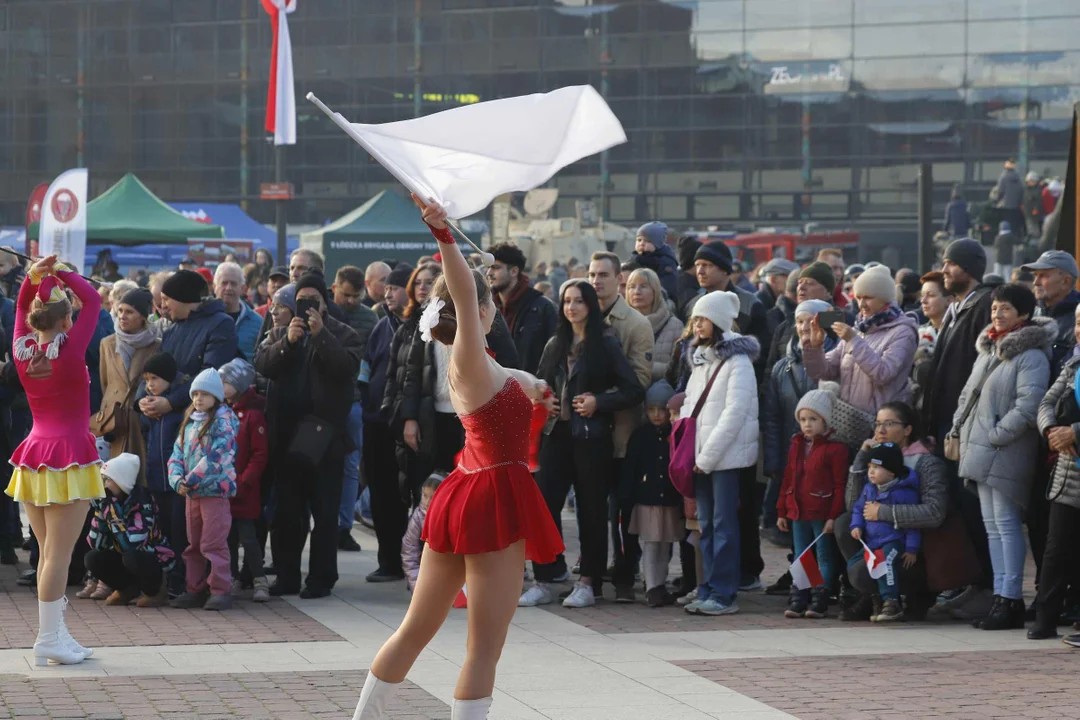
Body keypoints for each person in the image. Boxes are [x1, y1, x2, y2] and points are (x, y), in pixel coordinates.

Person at [353, 197, 562, 720]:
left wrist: (535, 387)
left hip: (465, 494)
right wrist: (444, 235)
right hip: (490, 499)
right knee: (483, 649)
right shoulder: (468, 354)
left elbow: (518, 381)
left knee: (417, 630)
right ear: (484, 310)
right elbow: (466, 294)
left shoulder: (483, 365)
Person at [520, 280, 645, 609]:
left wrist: (598, 401)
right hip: (555, 435)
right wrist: (543, 398)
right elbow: (539, 382)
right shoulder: (555, 343)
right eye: (566, 301)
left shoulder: (605, 343)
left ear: (590, 305)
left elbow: (633, 389)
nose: (572, 307)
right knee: (544, 507)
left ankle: (589, 581)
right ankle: (545, 578)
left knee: (592, 510)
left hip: (591, 438)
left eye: (578, 301)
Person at [6, 256, 104, 665]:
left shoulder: (21, 350)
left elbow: (17, 309)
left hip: (34, 454)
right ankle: (47, 637)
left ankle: (57, 633)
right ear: (66, 321)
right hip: (69, 455)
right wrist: (59, 272)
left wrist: (34, 277)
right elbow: (94, 300)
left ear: (33, 320)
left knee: (48, 555)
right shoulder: (72, 349)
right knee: (57, 558)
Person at [952, 283, 1053, 631]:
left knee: (1007, 526)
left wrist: (997, 434)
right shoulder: (989, 348)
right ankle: (1001, 595)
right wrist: (958, 428)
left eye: (1006, 308)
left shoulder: (1032, 355)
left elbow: (1029, 405)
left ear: (1024, 313)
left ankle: (1010, 598)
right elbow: (969, 393)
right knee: (992, 527)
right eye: (995, 308)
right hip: (981, 448)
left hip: (1006, 450)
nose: (997, 314)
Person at [257, 272, 363, 598]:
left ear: (324, 303)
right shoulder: (279, 331)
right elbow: (262, 365)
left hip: (325, 439)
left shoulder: (344, 334)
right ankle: (287, 576)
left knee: (325, 513)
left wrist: (320, 336)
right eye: (300, 300)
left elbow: (347, 370)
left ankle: (321, 578)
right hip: (286, 436)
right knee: (287, 514)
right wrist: (288, 342)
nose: (306, 307)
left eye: (312, 301)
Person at [679, 291, 760, 617]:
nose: (696, 325)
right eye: (695, 318)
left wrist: (706, 456)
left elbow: (734, 413)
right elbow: (689, 405)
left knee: (724, 525)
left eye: (703, 318)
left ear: (720, 322)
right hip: (701, 459)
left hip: (723, 459)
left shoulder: (737, 362)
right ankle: (708, 587)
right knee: (707, 525)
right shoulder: (701, 359)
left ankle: (724, 593)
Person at [837, 403, 948, 622]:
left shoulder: (925, 463)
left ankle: (898, 595)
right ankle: (876, 595)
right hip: (878, 539)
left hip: (910, 547)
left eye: (888, 424)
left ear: (907, 430)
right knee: (844, 523)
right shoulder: (876, 460)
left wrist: (885, 512)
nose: (880, 430)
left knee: (860, 573)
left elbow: (935, 513)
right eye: (877, 424)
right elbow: (854, 506)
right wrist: (862, 458)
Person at [588, 251, 654, 601]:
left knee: (621, 509)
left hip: (621, 434)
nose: (596, 281)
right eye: (591, 274)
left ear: (618, 280)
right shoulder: (579, 316)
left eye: (603, 275)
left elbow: (639, 382)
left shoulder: (634, 324)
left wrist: (598, 398)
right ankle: (592, 572)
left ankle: (625, 575)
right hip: (584, 433)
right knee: (591, 506)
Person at [761, 299, 836, 543]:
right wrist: (773, 461)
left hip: (825, 456)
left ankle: (823, 576)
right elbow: (771, 418)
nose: (804, 327)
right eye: (799, 321)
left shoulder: (835, 359)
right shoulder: (781, 368)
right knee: (795, 521)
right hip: (792, 454)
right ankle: (800, 573)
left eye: (810, 321)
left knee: (820, 523)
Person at [804, 264, 918, 418]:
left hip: (882, 425)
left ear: (885, 299)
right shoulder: (860, 328)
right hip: (849, 423)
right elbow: (822, 372)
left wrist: (853, 340)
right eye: (858, 297)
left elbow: (883, 374)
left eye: (868, 298)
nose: (862, 304)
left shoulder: (903, 331)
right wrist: (815, 348)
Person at [167, 369, 239, 611]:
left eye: (205, 394)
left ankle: (220, 590)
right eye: (195, 393)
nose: (198, 399)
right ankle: (194, 588)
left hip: (214, 491)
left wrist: (191, 477)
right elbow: (177, 453)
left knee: (213, 543)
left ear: (216, 397)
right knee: (194, 544)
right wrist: (177, 479)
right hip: (192, 492)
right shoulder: (189, 422)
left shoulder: (224, 422)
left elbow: (217, 454)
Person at [359, 263, 412, 584]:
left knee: (413, 497)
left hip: (409, 426)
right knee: (381, 495)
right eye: (387, 287)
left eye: (395, 287)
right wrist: (366, 405)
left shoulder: (423, 326)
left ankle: (414, 562)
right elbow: (365, 369)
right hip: (376, 423)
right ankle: (388, 560)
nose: (388, 292)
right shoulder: (382, 326)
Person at [776, 386, 847, 619]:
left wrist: (833, 516)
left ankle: (820, 597)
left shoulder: (835, 450)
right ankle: (800, 596)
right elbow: (788, 478)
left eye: (813, 419)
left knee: (824, 555)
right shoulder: (796, 445)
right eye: (803, 419)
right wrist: (782, 510)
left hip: (822, 511)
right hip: (798, 510)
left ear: (825, 421)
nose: (807, 424)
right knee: (801, 553)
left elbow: (840, 485)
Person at [1031, 304, 1080, 639]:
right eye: (1078, 322)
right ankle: (1046, 619)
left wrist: (1075, 431)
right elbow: (1046, 403)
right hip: (1069, 470)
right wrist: (1051, 431)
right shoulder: (1073, 363)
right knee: (1056, 546)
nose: (1079, 329)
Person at [919, 238, 993, 449]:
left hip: (965, 423)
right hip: (947, 420)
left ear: (969, 268)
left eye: (951, 263)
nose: (944, 270)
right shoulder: (958, 309)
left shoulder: (984, 305)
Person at [619, 380, 682, 608]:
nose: (657, 415)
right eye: (651, 409)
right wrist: (628, 495)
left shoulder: (675, 434)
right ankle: (652, 585)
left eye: (662, 410)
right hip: (647, 499)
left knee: (665, 543)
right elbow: (631, 468)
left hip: (668, 499)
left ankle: (659, 584)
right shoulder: (641, 436)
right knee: (651, 543)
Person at [84, 453, 175, 608]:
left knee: (131, 557)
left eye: (108, 480)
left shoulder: (142, 502)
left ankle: (156, 592)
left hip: (153, 557)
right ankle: (127, 589)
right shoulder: (108, 503)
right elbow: (96, 544)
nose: (103, 485)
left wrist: (114, 517)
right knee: (93, 558)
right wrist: (102, 516)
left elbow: (131, 544)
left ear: (122, 482)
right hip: (125, 555)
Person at [331, 266, 378, 553]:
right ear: (335, 286)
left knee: (350, 469)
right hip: (323, 402)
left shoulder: (369, 317)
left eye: (356, 296)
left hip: (353, 400)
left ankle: (343, 526)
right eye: (346, 295)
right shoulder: (322, 311)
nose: (350, 301)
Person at [149, 269, 238, 419]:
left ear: (183, 299)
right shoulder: (171, 330)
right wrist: (143, 400)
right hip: (165, 420)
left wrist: (170, 402)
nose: (162, 306)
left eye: (166, 299)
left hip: (199, 420)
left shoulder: (221, 324)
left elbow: (210, 373)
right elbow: (155, 370)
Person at [849, 442, 921, 623]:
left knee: (885, 563)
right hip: (872, 541)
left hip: (894, 540)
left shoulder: (905, 493)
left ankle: (892, 602)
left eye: (877, 467)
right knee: (855, 564)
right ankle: (875, 598)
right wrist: (856, 526)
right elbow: (858, 509)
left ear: (891, 471)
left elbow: (912, 523)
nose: (871, 472)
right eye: (869, 467)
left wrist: (912, 548)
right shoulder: (869, 489)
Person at [218, 359, 270, 603]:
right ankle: (231, 577)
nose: (220, 386)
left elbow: (259, 454)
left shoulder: (253, 415)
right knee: (227, 537)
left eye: (225, 382)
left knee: (248, 538)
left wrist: (244, 481)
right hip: (225, 489)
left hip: (244, 490)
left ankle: (259, 579)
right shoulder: (221, 411)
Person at [139, 351, 189, 597]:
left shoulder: (179, 409)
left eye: (155, 378)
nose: (150, 385)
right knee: (163, 533)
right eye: (147, 379)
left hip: (176, 483)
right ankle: (168, 579)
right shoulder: (149, 407)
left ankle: (182, 579)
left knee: (180, 532)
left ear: (170, 378)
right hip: (156, 480)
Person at [94, 288, 160, 461]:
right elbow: (105, 383)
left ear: (143, 317)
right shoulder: (107, 343)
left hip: (141, 419)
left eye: (130, 312)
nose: (122, 316)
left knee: (138, 474)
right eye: (120, 310)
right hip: (113, 422)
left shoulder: (156, 345)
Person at [488, 244, 557, 376]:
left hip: (532, 390)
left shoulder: (543, 308)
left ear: (514, 271)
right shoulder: (488, 308)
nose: (489, 273)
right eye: (488, 268)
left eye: (496, 267)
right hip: (497, 389)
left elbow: (554, 357)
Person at [766, 261, 838, 374]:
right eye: (800, 282)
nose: (801, 287)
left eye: (810, 283)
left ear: (827, 291)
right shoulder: (785, 325)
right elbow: (770, 371)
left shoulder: (840, 322)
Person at [626, 268, 684, 383]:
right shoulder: (619, 323)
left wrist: (640, 368)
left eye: (643, 286)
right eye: (632, 287)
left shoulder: (675, 325)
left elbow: (678, 368)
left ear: (655, 291)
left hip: (659, 386)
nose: (637, 291)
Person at [911, 272, 954, 412]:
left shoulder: (957, 334)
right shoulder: (917, 333)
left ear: (949, 300)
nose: (923, 301)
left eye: (930, 295)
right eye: (922, 295)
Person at [401, 472, 445, 593]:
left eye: (433, 497)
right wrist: (416, 586)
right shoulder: (419, 516)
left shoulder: (453, 516)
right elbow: (409, 551)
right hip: (424, 570)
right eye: (425, 496)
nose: (427, 502)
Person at [213, 262, 262, 362]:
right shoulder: (204, 319)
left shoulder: (258, 322)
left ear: (243, 289)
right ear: (214, 287)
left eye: (233, 283)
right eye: (224, 283)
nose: (228, 288)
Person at [630, 222, 679, 301]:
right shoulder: (634, 259)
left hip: (659, 300)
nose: (642, 244)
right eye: (639, 240)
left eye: (647, 241)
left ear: (658, 244)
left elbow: (669, 285)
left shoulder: (665, 262)